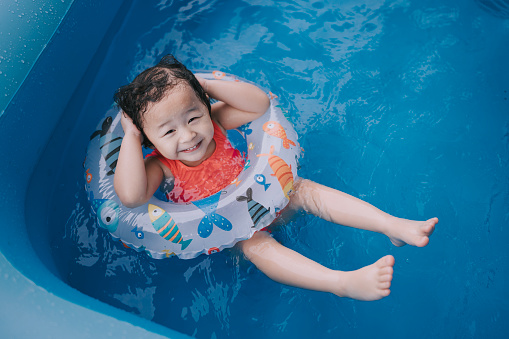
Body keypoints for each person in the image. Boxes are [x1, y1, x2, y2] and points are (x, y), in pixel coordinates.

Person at [113, 55, 438, 301]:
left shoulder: (218, 122)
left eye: (193, 116)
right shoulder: (161, 166)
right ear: (149, 140)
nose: (187, 135)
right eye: (169, 131)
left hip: (270, 200)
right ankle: (342, 282)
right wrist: (129, 136)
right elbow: (131, 196)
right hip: (233, 234)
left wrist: (203, 85)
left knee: (303, 189)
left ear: (204, 106)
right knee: (255, 246)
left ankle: (390, 225)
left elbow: (258, 104)